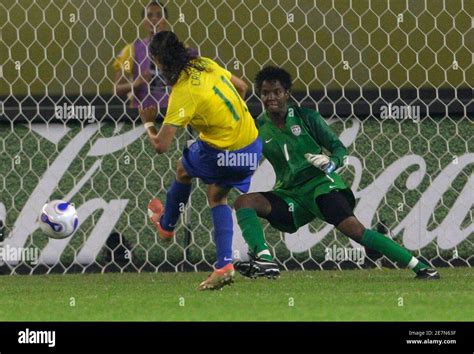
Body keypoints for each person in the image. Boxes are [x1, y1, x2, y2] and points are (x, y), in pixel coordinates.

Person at [233, 66, 440, 280]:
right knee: (244, 202)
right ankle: (264, 259)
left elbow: (339, 149)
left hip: (322, 186)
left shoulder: (306, 117)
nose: (271, 97)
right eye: (265, 93)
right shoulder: (257, 127)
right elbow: (243, 152)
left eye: (276, 91)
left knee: (356, 231)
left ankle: (423, 267)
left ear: (287, 93)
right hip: (291, 194)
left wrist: (330, 163)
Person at [140, 31, 262, 290]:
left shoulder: (183, 92)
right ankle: (224, 265)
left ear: (161, 62)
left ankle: (166, 226)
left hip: (223, 152)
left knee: (183, 169)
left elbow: (161, 145)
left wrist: (148, 122)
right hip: (252, 145)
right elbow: (242, 88)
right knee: (217, 196)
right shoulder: (205, 63)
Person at [113, 1, 174, 113]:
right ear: (144, 22)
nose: (154, 19)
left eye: (159, 15)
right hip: (140, 116)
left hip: (171, 114)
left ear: (165, 21)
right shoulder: (131, 50)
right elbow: (117, 89)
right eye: (149, 15)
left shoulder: (178, 50)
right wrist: (136, 84)